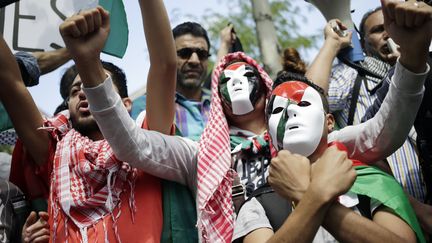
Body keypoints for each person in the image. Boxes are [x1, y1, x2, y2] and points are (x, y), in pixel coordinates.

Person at [0, 0, 176, 240]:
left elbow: (165, 65)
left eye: (96, 86)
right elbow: (10, 82)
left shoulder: (150, 146)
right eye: (74, 91)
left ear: (125, 104)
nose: (84, 92)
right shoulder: (53, 153)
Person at [243, 71, 424, 243]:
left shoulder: (373, 183)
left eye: (304, 104)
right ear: (269, 132)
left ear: (329, 122)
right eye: (278, 109)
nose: (290, 112)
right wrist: (314, 196)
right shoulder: (259, 203)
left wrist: (304, 193)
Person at [326, 3, 428, 201]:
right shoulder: (349, 76)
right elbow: (310, 98)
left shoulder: (427, 68)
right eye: (378, 30)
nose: (389, 34)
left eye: (393, 25)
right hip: (390, 209)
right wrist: (331, 46)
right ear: (364, 44)